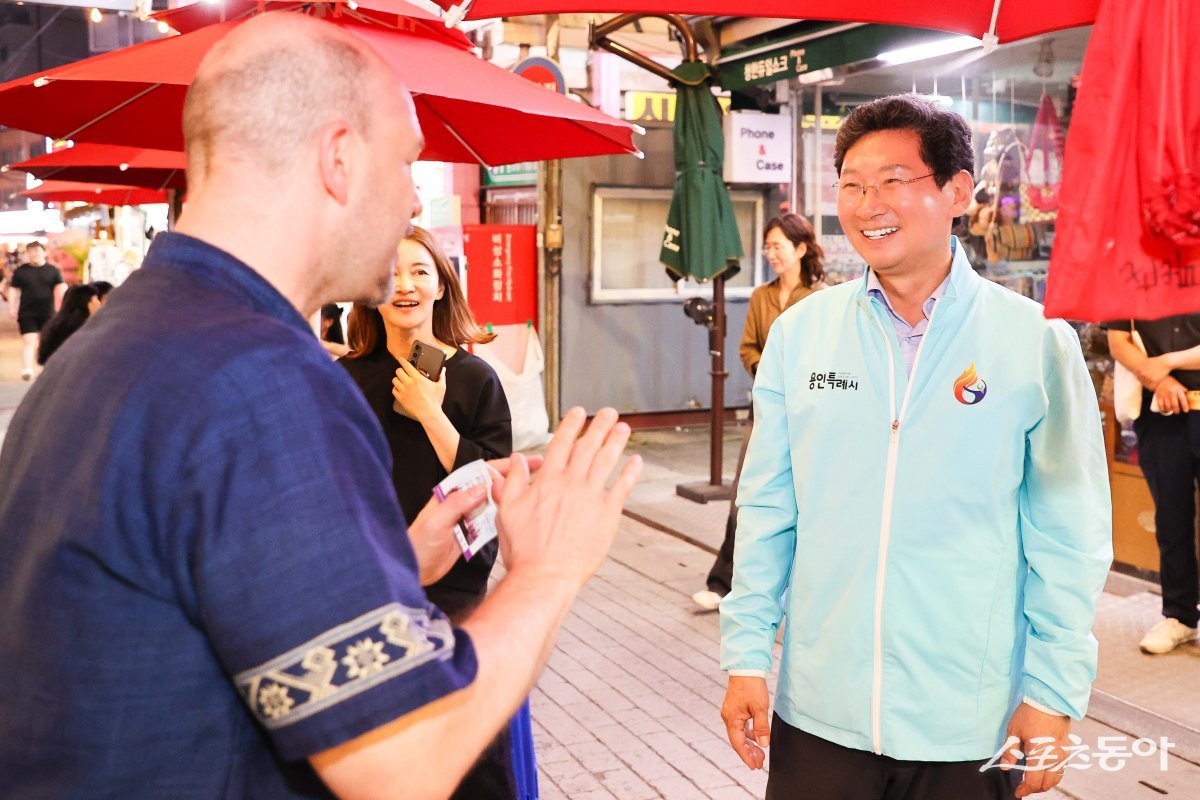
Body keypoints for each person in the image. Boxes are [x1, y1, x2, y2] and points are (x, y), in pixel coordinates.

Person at [0, 13, 641, 800]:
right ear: (339, 160)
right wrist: (549, 568)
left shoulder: (117, 346)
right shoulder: (260, 379)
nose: (411, 203)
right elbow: (399, 765)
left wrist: (401, 560)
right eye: (408, 165)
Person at [719, 94, 1111, 800]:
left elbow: (1068, 534)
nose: (869, 204)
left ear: (957, 191)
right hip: (820, 714)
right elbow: (769, 506)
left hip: (971, 718)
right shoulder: (802, 335)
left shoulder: (1033, 341)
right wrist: (745, 654)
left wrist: (1052, 694)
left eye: (894, 181)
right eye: (852, 184)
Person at [340, 227, 518, 798]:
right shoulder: (345, 378)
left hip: (454, 592)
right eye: (391, 272)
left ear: (442, 285)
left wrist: (431, 414)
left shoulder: (473, 378)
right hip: (370, 590)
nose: (405, 284)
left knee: (468, 761)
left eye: (419, 271)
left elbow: (493, 490)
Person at [693, 213, 825, 610]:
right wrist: (770, 372)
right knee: (745, 491)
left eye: (777, 246)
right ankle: (723, 584)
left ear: (801, 249)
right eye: (767, 247)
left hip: (810, 410)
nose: (771, 254)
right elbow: (748, 347)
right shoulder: (760, 296)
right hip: (765, 405)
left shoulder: (823, 297)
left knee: (808, 494)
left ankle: (798, 588)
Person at [1108, 314, 1200, 654]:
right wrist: (1158, 379)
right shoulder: (1133, 270)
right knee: (1170, 518)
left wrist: (1165, 363)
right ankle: (1180, 616)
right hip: (1159, 412)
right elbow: (1119, 342)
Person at [7, 240, 65, 380]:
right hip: (27, 312)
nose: (34, 254)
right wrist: (12, 307)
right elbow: (14, 291)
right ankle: (28, 369)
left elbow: (62, 289)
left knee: (46, 341)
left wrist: (63, 307)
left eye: (37, 251)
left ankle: (47, 369)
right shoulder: (21, 271)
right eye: (31, 252)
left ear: (45, 252)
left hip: (48, 312)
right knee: (29, 340)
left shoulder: (53, 271)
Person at [36, 283, 102, 365]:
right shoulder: (80, 328)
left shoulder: (58, 323)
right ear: (87, 303)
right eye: (95, 299)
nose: (99, 304)